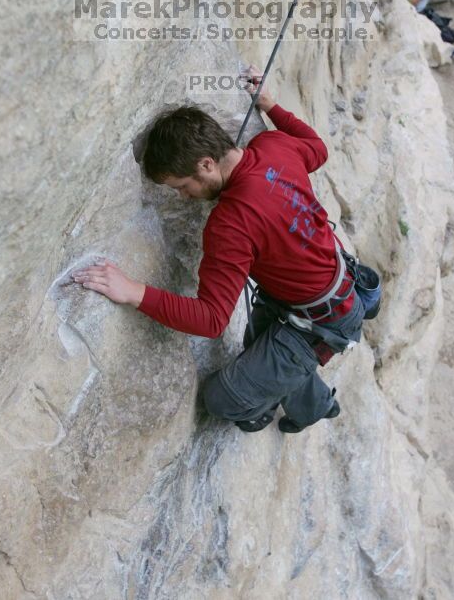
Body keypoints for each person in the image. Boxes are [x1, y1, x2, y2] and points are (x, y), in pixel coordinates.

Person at [72, 66, 369, 434]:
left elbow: (210, 320)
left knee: (222, 398)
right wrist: (272, 106)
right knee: (262, 349)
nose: (184, 196)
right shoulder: (273, 146)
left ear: (206, 164)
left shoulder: (231, 223)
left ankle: (273, 402)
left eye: (181, 186)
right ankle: (317, 403)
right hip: (332, 289)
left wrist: (133, 292)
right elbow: (318, 149)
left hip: (322, 320)